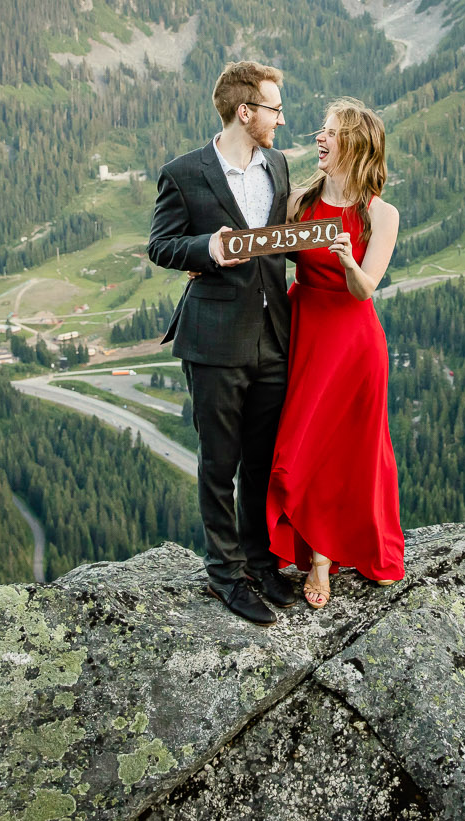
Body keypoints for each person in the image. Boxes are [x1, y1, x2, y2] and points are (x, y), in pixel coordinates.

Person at [146, 61, 301, 626]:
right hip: (212, 341)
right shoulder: (184, 173)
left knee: (262, 461)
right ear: (245, 111)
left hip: (273, 337)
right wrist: (208, 249)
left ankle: (260, 564)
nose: (281, 120)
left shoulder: (279, 165)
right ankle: (224, 575)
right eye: (274, 109)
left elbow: (282, 239)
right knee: (220, 463)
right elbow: (161, 246)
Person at [266, 98, 405, 608]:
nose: (318, 139)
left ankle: (324, 559)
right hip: (305, 332)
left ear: (355, 145)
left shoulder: (379, 214)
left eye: (330, 132)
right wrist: (207, 258)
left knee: (352, 450)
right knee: (303, 443)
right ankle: (308, 550)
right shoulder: (301, 201)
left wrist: (348, 262)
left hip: (354, 343)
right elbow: (261, 247)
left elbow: (366, 288)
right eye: (321, 131)